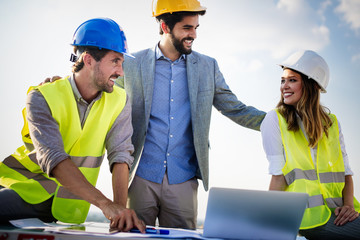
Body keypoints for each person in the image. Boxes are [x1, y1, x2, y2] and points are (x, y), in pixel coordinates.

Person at [119, 0, 266, 229]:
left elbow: (234, 108)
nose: (194, 35)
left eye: (196, 28)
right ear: (165, 27)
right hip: (140, 176)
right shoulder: (132, 64)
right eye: (187, 28)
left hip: (183, 180)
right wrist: (67, 84)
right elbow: (101, 91)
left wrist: (279, 121)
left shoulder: (208, 67)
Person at [0, 18, 145, 233]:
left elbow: (121, 156)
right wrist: (106, 205)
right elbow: (55, 159)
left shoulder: (120, 101)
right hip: (25, 189)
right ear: (88, 59)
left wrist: (120, 212)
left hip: (70, 207)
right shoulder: (41, 96)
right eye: (115, 61)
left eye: (122, 62)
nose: (121, 72)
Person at [260, 50, 360, 239]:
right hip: (305, 217)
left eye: (292, 80)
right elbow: (278, 177)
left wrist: (348, 206)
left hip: (340, 212)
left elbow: (346, 173)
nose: (284, 86)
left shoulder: (332, 122)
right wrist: (268, 223)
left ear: (311, 85)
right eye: (283, 80)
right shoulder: (274, 120)